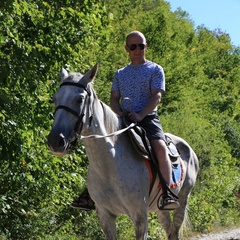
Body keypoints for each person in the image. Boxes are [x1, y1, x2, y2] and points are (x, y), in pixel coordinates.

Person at [71, 30, 179, 211]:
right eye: (133, 46)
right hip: (123, 118)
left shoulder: (155, 69)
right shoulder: (120, 73)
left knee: (160, 148)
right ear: (127, 49)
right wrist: (119, 113)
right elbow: (114, 98)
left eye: (141, 46)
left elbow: (157, 97)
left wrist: (141, 115)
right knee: (101, 149)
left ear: (146, 47)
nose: (137, 50)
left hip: (148, 118)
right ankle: (90, 195)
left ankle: (168, 193)